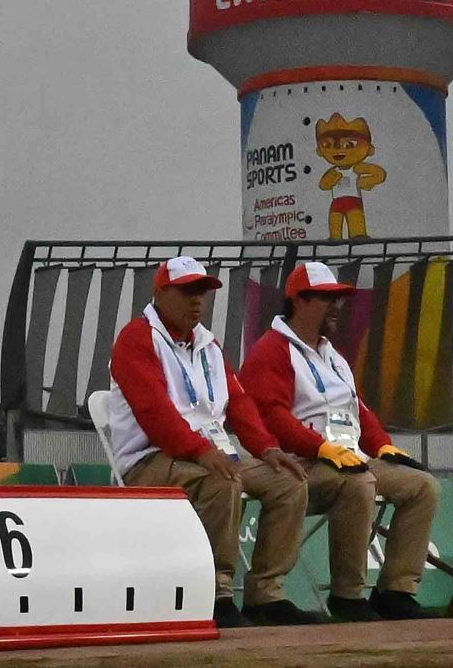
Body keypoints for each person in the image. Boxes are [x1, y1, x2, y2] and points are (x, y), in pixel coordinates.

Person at [106, 256, 313, 628]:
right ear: (160, 293)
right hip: (150, 460)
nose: (197, 301)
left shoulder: (208, 344)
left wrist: (268, 449)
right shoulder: (136, 339)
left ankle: (266, 593)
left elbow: (240, 404)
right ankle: (216, 593)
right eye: (187, 292)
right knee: (222, 479)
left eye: (202, 292)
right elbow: (156, 414)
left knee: (289, 481)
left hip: (208, 455)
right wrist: (201, 451)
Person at [239, 260, 440, 621]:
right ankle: (348, 596)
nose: (336, 307)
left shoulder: (333, 356)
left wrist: (382, 444)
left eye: (339, 300)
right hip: (297, 462)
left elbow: (358, 409)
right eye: (326, 299)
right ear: (298, 300)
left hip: (347, 458)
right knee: (359, 483)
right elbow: (270, 415)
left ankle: (395, 591)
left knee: (422, 486)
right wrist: (318, 447)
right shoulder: (272, 350)